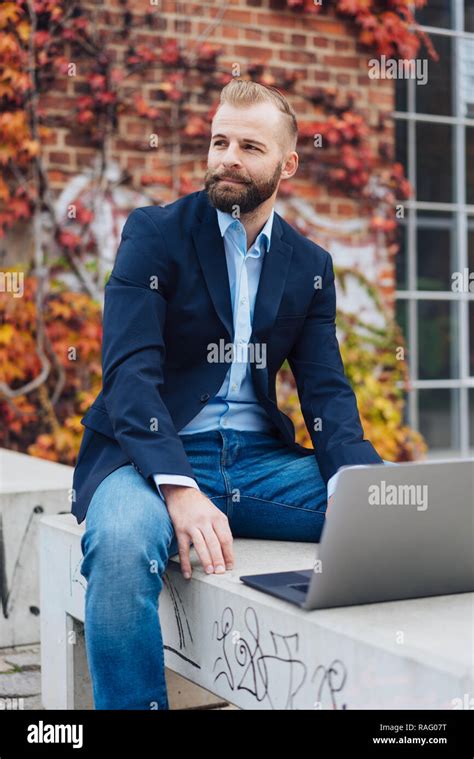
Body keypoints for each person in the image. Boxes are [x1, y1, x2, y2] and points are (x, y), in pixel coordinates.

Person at [74, 79, 384, 710]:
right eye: (219, 141)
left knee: (398, 524)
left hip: (258, 465)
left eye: (249, 145)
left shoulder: (309, 263)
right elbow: (130, 375)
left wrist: (361, 485)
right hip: (147, 461)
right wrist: (179, 489)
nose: (228, 159)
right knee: (121, 545)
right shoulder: (155, 234)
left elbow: (326, 392)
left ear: (287, 165)